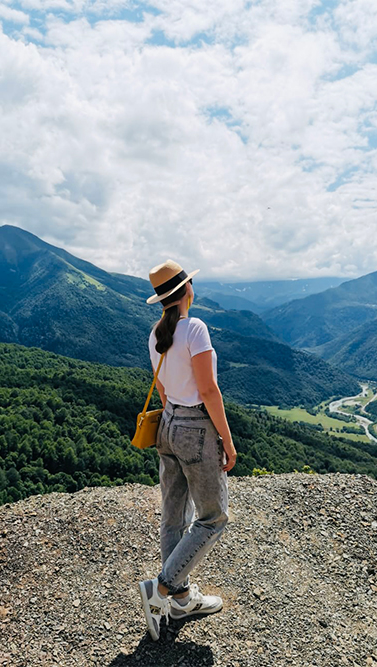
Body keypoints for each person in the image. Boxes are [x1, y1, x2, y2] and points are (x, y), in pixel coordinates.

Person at [138, 259, 237, 641]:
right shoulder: (195, 329)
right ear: (187, 292)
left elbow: (163, 391)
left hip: (167, 425)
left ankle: (178, 598)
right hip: (196, 427)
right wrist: (226, 441)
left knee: (174, 514)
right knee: (213, 518)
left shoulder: (155, 336)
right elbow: (209, 390)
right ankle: (162, 589)